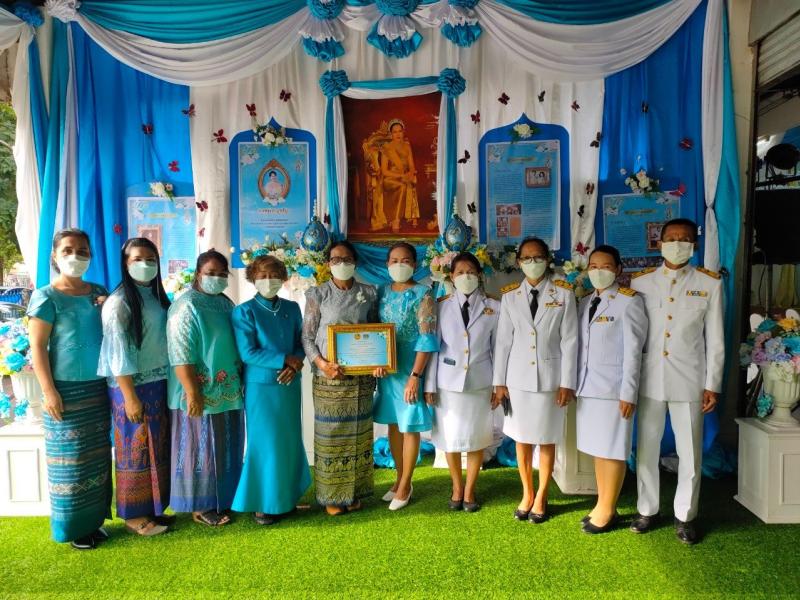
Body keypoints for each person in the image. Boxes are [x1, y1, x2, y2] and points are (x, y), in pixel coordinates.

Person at [630, 218, 724, 545]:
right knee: (646, 449)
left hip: (690, 379)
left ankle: (685, 515)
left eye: (685, 238)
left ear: (694, 246)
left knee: (690, 453)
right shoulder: (641, 282)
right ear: (659, 243)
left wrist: (712, 384)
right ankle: (647, 509)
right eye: (671, 238)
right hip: (650, 378)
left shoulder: (709, 283)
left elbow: (716, 339)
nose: (678, 244)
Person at [27, 228, 112, 550]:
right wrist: (49, 391)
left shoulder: (99, 292)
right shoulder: (46, 297)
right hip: (65, 391)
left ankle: (94, 522)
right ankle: (74, 529)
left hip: (98, 387)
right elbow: (37, 347)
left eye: (82, 251)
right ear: (55, 255)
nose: (76, 256)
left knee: (97, 457)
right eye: (68, 250)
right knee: (70, 460)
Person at [493, 237, 577, 523]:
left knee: (546, 437)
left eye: (538, 257)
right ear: (519, 262)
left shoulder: (563, 294)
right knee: (522, 439)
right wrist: (499, 382)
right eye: (527, 258)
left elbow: (570, 341)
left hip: (550, 380)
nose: (533, 262)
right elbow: (503, 342)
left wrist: (567, 382)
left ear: (547, 260)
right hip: (517, 380)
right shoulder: (510, 296)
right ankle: (527, 492)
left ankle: (542, 494)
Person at [98, 238, 172, 537]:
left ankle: (153, 508)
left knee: (157, 447)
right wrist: (129, 397)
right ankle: (133, 515)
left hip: (157, 382)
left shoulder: (155, 296)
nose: (146, 265)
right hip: (130, 387)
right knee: (135, 450)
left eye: (151, 259)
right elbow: (118, 354)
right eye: (138, 259)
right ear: (125, 264)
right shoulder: (119, 303)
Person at [167, 249, 244, 527]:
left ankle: (225, 497)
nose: (217, 278)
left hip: (227, 388)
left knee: (225, 444)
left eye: (222, 274)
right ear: (198, 274)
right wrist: (192, 392)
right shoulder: (186, 305)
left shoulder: (225, 303)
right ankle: (200, 506)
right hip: (198, 389)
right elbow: (180, 354)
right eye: (211, 273)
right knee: (200, 446)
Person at [231, 255, 310, 525]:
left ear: (284, 277)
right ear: (252, 278)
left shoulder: (292, 308)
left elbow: (301, 343)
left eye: (274, 275)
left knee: (288, 442)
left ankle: (286, 498)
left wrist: (295, 364)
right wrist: (284, 360)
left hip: (289, 385)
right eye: (262, 275)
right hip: (261, 388)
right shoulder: (244, 311)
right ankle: (263, 504)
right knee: (264, 444)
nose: (269, 280)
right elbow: (247, 352)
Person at [302, 240, 378, 516]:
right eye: (335, 259)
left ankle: (355, 493)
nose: (341, 263)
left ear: (355, 262)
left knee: (360, 435)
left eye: (347, 259)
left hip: (361, 379)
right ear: (327, 263)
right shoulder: (317, 294)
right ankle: (332, 497)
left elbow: (376, 332)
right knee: (331, 436)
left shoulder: (369, 293)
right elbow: (307, 337)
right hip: (329, 379)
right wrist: (322, 364)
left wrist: (378, 362)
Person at [575, 245, 648, 534]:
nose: (599, 271)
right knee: (598, 448)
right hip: (588, 386)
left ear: (618, 269)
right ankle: (602, 503)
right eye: (593, 266)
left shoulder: (629, 302)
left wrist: (628, 392)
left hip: (614, 389)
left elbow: (634, 352)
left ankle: (608, 508)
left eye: (606, 266)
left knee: (613, 449)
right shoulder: (585, 302)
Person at [425, 252, 500, 512]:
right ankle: (457, 487)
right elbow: (433, 348)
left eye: (470, 272)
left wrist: (498, 385)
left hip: (480, 383)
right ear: (451, 276)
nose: (465, 276)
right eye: (460, 272)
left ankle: (470, 490)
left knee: (477, 438)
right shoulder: (441, 306)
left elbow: (498, 349)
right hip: (447, 384)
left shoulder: (494, 307)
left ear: (479, 274)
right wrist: (429, 385)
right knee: (451, 438)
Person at [373, 242, 438, 511]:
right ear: (387, 264)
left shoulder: (424, 293)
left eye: (406, 260)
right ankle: (399, 478)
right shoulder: (381, 291)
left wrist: (415, 376)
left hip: (410, 368)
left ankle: (406, 484)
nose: (400, 265)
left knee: (409, 425)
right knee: (393, 423)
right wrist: (376, 361)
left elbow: (427, 337)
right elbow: (373, 331)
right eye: (395, 260)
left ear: (415, 264)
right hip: (387, 370)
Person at [381, 119, 419, 232]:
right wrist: (401, 176)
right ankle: (395, 220)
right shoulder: (387, 148)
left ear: (403, 132)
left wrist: (410, 174)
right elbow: (384, 171)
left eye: (400, 131)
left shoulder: (407, 146)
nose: (398, 134)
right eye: (395, 132)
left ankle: (398, 219)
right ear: (391, 134)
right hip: (389, 179)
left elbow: (412, 166)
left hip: (404, 177)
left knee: (406, 183)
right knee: (403, 186)